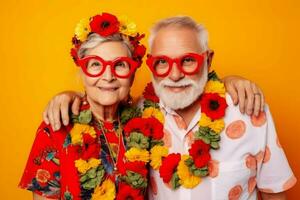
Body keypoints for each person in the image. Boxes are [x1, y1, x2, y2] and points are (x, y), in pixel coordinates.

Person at [44, 16, 296, 200]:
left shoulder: (249, 111)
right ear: (151, 65)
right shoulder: (140, 116)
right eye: (162, 62)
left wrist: (232, 80)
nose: (174, 75)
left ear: (207, 60)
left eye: (188, 60)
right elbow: (103, 96)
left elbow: (275, 194)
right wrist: (68, 96)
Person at [19, 12, 150, 200]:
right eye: (95, 64)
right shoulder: (57, 127)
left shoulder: (146, 124)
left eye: (120, 65)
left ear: (133, 74)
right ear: (83, 72)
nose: (108, 76)